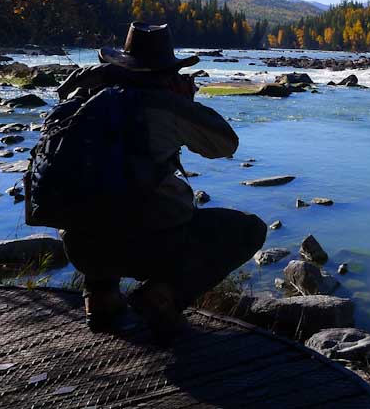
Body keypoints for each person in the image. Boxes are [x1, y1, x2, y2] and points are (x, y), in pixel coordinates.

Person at [55, 22, 266, 334]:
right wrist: (185, 104)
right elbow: (225, 145)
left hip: (80, 247)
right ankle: (161, 296)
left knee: (98, 191)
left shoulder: (83, 99)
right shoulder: (163, 106)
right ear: (166, 70)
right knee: (249, 229)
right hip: (145, 246)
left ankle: (100, 299)